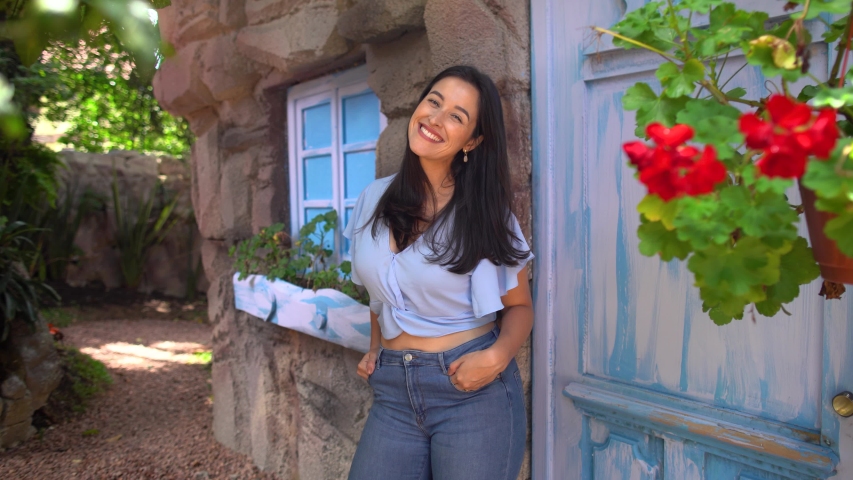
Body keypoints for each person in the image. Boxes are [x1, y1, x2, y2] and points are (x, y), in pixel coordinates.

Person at [344, 65, 534, 480]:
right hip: (393, 393)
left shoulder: (485, 215)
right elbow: (379, 296)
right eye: (434, 101)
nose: (435, 118)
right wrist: (376, 347)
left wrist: (497, 357)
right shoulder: (372, 199)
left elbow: (520, 306)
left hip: (470, 393)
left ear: (473, 141)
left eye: (456, 116)